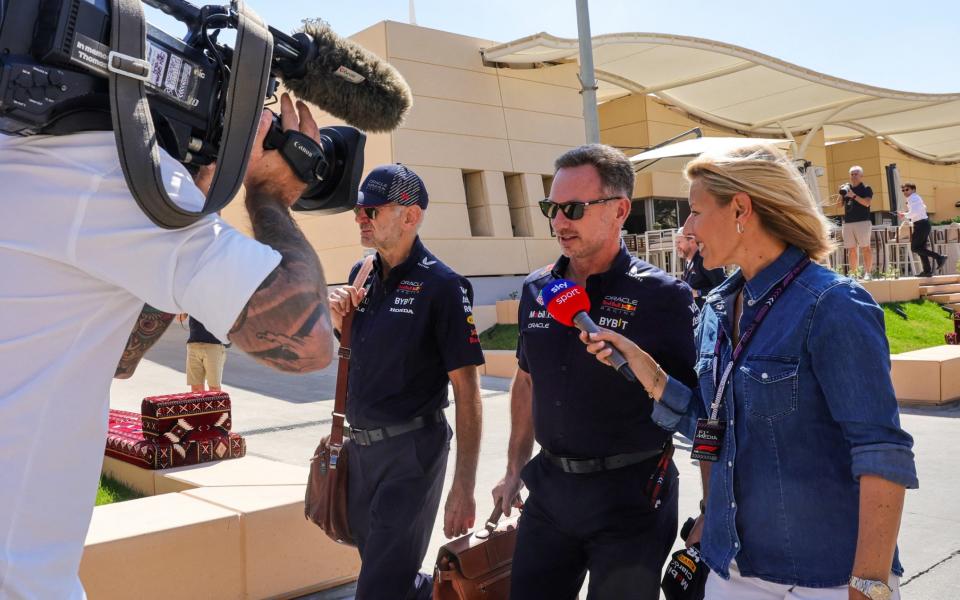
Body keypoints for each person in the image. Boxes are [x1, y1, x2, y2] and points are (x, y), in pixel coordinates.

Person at [0, 93, 336, 598]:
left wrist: (190, 211)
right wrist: (268, 194)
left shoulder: (20, 157)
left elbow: (120, 359)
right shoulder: (106, 170)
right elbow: (309, 343)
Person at [583, 144, 917, 600]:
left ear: (741, 208)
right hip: (730, 567)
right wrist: (649, 373)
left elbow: (881, 451)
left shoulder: (832, 304)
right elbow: (710, 423)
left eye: (696, 212)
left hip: (825, 580)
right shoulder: (717, 306)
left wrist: (869, 585)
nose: (687, 229)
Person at [491, 144, 698, 599]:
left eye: (573, 209)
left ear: (620, 210)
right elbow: (526, 379)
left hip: (633, 498)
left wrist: (711, 510)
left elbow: (698, 408)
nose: (559, 222)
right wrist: (512, 470)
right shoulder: (539, 289)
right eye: (552, 208)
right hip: (551, 491)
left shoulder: (666, 296)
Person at [327, 164, 484, 599]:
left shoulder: (444, 286)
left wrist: (463, 487)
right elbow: (363, 358)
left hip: (411, 455)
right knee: (385, 570)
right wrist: (343, 323)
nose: (361, 217)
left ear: (410, 217)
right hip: (360, 453)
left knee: (377, 589)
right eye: (359, 209)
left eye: (372, 210)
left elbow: (468, 394)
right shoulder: (362, 272)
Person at [897, 182, 946, 277]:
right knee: (920, 249)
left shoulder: (913, 198)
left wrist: (904, 215)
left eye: (907, 189)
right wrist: (905, 214)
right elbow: (919, 210)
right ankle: (927, 271)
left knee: (915, 248)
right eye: (903, 190)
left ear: (913, 190)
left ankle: (939, 257)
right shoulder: (914, 198)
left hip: (921, 225)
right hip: (922, 224)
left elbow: (914, 213)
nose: (905, 192)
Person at [676, 226, 726, 308]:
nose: (676, 246)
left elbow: (723, 286)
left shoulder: (706, 260)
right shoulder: (689, 261)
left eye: (679, 242)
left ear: (692, 241)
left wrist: (699, 292)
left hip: (710, 314)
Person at [840, 165, 874, 278]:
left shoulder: (866, 188)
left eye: (856, 174)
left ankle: (868, 273)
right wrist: (841, 193)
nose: (854, 176)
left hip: (863, 222)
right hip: (848, 223)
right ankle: (854, 274)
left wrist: (853, 195)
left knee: (866, 248)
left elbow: (867, 203)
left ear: (861, 176)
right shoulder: (847, 188)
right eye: (852, 174)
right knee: (851, 250)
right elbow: (839, 206)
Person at [182, 315, 229, 392]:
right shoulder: (191, 302)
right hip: (193, 344)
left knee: (214, 389)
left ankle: (214, 404)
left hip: (214, 345)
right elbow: (180, 317)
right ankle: (199, 404)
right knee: (196, 389)